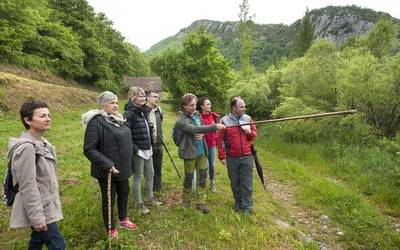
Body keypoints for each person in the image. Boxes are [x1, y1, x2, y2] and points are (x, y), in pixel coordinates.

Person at [8, 100, 65, 249]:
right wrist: (37, 217)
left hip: (45, 203)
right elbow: (27, 186)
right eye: (42, 116)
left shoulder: (44, 142)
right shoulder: (27, 148)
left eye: (49, 115)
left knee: (37, 241)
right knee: (58, 245)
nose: (48, 119)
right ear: (27, 120)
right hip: (40, 209)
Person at [83, 91, 137, 239]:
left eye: (116, 102)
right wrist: (107, 164)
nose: (116, 105)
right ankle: (111, 228)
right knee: (109, 199)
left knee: (124, 192)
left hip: (123, 168)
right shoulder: (96, 122)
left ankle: (123, 219)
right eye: (112, 102)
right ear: (102, 105)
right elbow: (89, 149)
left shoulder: (118, 119)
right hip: (107, 171)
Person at [174, 93, 225, 213]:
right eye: (191, 105)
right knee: (189, 178)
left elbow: (201, 128)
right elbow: (193, 130)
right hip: (189, 153)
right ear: (184, 106)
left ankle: (200, 203)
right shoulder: (181, 121)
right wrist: (214, 126)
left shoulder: (197, 115)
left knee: (202, 177)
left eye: (195, 105)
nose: (194, 107)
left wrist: (204, 133)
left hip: (202, 151)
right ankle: (186, 201)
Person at [124, 87, 161, 215]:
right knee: (138, 177)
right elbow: (126, 134)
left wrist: (150, 131)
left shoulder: (142, 111)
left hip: (148, 148)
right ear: (133, 97)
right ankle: (139, 204)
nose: (143, 99)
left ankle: (149, 197)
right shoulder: (129, 113)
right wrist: (135, 149)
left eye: (144, 96)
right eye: (140, 96)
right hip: (138, 150)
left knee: (150, 173)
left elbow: (144, 127)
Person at [217, 97, 257, 214]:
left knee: (247, 183)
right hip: (232, 157)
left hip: (247, 156)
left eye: (244, 106)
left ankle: (247, 208)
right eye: (241, 107)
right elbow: (220, 140)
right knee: (235, 182)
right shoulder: (225, 121)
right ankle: (238, 204)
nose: (244, 108)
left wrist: (249, 131)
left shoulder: (248, 118)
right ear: (234, 108)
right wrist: (222, 156)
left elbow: (254, 135)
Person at [197, 97, 220, 192]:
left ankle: (212, 182)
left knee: (212, 165)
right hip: (203, 144)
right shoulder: (198, 116)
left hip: (212, 144)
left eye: (210, 104)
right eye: (207, 104)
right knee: (204, 165)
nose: (210, 106)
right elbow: (199, 130)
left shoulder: (213, 115)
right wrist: (204, 133)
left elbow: (215, 128)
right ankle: (202, 182)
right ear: (202, 106)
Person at [144, 91, 164, 195]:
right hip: (147, 145)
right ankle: (149, 188)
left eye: (158, 97)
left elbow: (160, 123)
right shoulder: (142, 111)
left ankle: (158, 186)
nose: (157, 98)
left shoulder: (159, 110)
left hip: (159, 144)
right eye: (154, 96)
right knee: (148, 169)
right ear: (147, 98)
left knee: (158, 167)